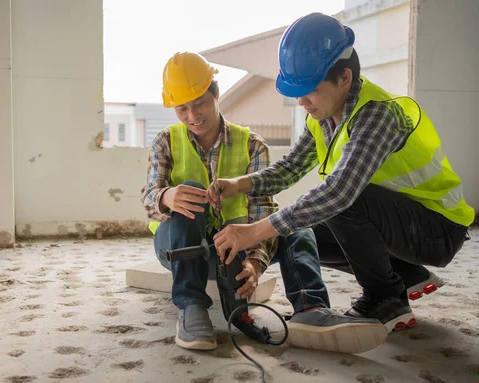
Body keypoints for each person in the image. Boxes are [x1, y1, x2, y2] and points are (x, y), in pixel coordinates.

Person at [209, 13, 475, 332]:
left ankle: (386, 297)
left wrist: (252, 232)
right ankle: (405, 273)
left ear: (345, 77)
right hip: (401, 224)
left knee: (338, 200)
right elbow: (289, 170)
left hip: (437, 229)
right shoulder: (323, 116)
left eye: (311, 89)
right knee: (299, 232)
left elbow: (339, 193)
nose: (302, 101)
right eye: (297, 91)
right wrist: (238, 184)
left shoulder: (377, 115)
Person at [140, 51, 387, 354]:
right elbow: (149, 196)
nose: (192, 116)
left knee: (296, 225)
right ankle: (190, 305)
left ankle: (311, 309)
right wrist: (167, 196)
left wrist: (255, 263)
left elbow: (263, 210)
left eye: (200, 103)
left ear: (216, 94)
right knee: (188, 191)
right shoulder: (165, 141)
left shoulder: (252, 144)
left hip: (234, 249)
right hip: (179, 249)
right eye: (182, 109)